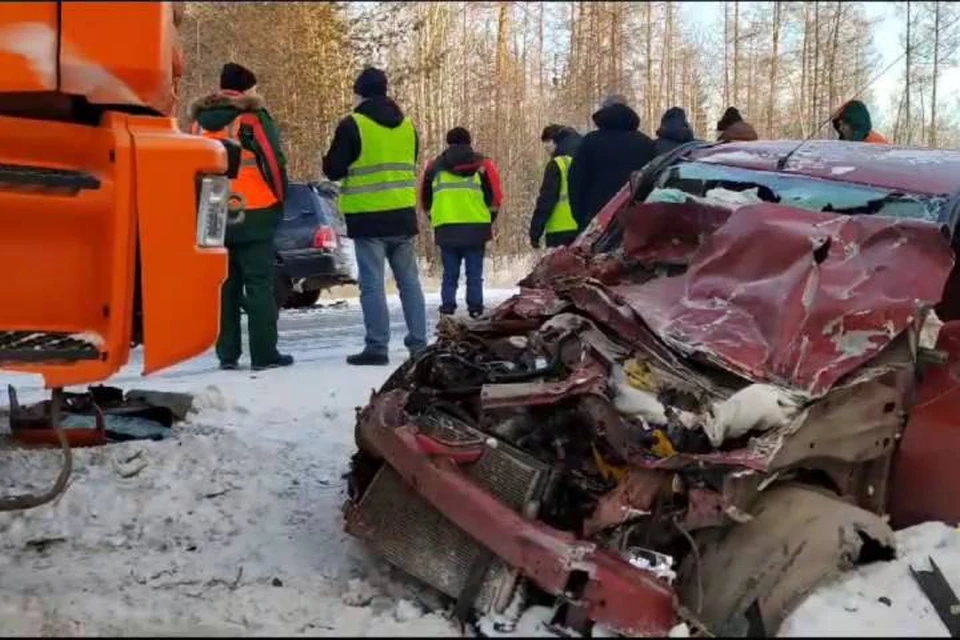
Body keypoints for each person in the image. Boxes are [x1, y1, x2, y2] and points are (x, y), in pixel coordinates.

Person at [189, 62, 293, 371]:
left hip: (214, 210)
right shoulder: (252, 118)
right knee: (259, 283)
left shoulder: (198, 123)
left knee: (225, 284)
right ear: (247, 89)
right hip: (256, 209)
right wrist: (279, 196)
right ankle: (264, 354)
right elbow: (273, 161)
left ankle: (227, 353)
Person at [322, 67, 426, 366]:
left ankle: (377, 346)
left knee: (372, 284)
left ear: (359, 93)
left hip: (368, 218)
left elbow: (334, 169)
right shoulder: (408, 127)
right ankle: (419, 344)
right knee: (410, 283)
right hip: (402, 216)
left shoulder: (352, 124)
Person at [420, 127, 502, 318]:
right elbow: (495, 196)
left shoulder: (434, 166)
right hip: (476, 226)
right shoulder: (483, 164)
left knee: (449, 273)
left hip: (446, 226)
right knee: (474, 274)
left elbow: (425, 198)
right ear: (469, 141)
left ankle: (447, 307)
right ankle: (475, 308)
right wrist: (489, 219)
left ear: (448, 142)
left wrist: (435, 218)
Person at [568, 94, 657, 230]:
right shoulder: (646, 143)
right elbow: (653, 183)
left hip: (596, 222)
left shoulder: (589, 142)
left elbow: (575, 181)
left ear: (603, 112)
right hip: (635, 222)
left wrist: (581, 217)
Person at [529, 124, 582, 249]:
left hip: (559, 232)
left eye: (548, 141)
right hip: (582, 229)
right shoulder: (582, 159)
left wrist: (535, 232)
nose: (546, 147)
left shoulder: (558, 164)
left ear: (556, 141)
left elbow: (546, 200)